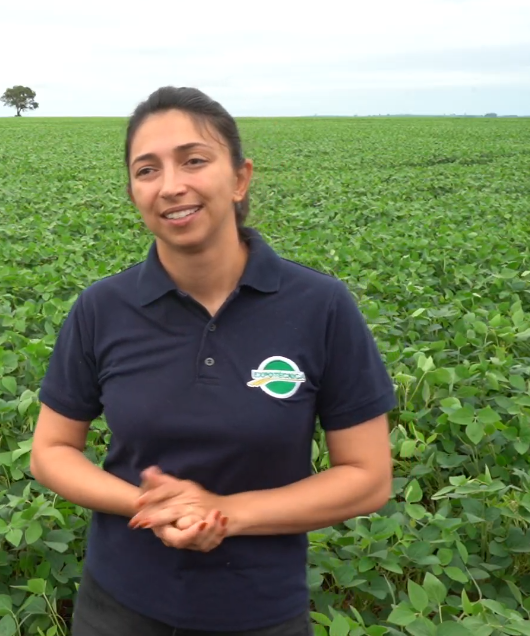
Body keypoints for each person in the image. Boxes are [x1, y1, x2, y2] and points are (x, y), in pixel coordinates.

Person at [30, 86, 396, 636]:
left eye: (194, 160)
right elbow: (52, 450)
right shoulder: (103, 308)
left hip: (260, 612)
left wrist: (223, 514)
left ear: (240, 177)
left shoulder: (319, 305)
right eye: (146, 170)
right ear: (133, 192)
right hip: (118, 608)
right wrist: (150, 506)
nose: (171, 185)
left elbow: (367, 478)